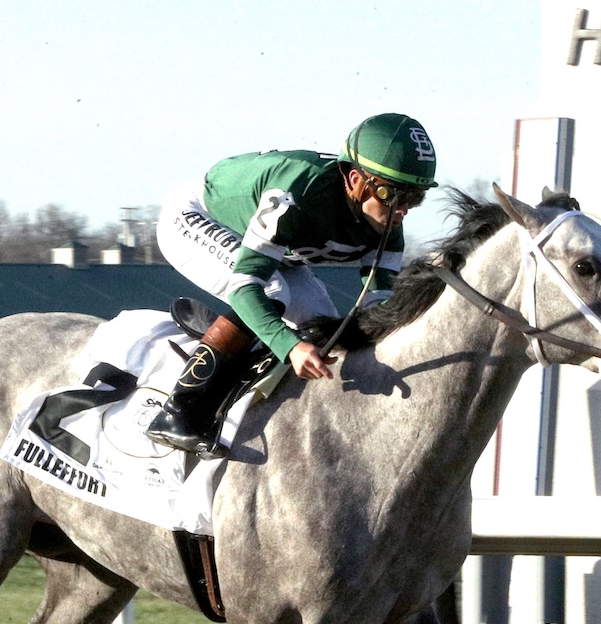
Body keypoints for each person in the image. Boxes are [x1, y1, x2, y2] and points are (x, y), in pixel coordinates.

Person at [145, 112, 439, 457]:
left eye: (414, 198)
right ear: (357, 179)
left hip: (273, 250)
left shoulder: (388, 222)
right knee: (272, 295)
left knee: (325, 330)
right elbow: (245, 285)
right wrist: (289, 346)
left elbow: (379, 307)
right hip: (198, 216)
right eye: (394, 194)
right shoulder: (296, 192)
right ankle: (180, 410)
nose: (403, 210)